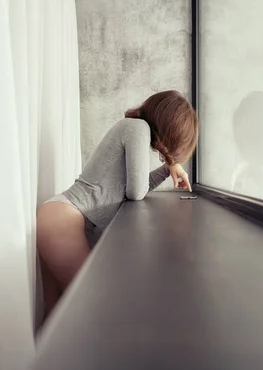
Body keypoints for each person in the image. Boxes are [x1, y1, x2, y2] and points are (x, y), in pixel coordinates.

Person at [36, 90, 199, 321]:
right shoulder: (137, 128)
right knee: (91, 308)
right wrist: (169, 166)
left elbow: (131, 189)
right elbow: (135, 192)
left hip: (58, 215)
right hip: (63, 219)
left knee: (55, 314)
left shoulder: (132, 127)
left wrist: (167, 169)